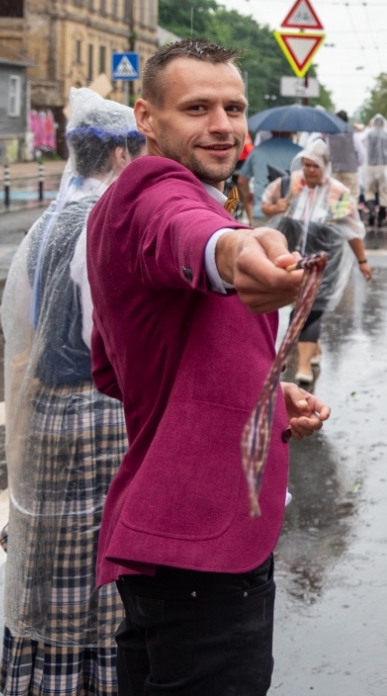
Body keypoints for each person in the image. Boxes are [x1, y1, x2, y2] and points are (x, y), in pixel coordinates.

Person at [87, 39, 331, 696]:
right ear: (147, 117)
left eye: (234, 107)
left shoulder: (149, 198)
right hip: (201, 552)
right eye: (197, 108)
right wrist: (236, 250)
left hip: (170, 553)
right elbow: (190, 234)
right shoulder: (154, 191)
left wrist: (263, 392)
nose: (222, 125)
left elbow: (115, 368)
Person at [0, 88, 145, 696]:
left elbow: (22, 337)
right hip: (104, 413)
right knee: (103, 571)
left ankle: (47, 681)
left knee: (51, 568)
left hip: (47, 412)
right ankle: (100, 683)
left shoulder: (45, 224)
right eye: (134, 152)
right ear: (115, 156)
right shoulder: (111, 223)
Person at [260, 138, 371, 388]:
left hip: (324, 262)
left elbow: (353, 231)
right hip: (294, 257)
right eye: (306, 164)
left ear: (325, 167)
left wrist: (362, 261)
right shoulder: (289, 184)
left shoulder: (338, 193)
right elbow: (266, 206)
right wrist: (275, 207)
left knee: (310, 309)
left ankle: (302, 366)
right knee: (300, 307)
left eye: (315, 166)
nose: (309, 170)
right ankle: (313, 349)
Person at [361, 115, 387, 226]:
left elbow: (361, 143)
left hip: (371, 165)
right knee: (383, 191)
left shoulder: (369, 134)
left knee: (369, 190)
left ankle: (371, 211)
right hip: (385, 166)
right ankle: (381, 217)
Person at [326, 111, 364, 202]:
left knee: (337, 196)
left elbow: (328, 153)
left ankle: (338, 215)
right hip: (351, 169)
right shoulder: (352, 134)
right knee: (352, 196)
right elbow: (361, 152)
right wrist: (357, 163)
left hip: (336, 170)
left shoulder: (330, 135)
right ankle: (350, 215)